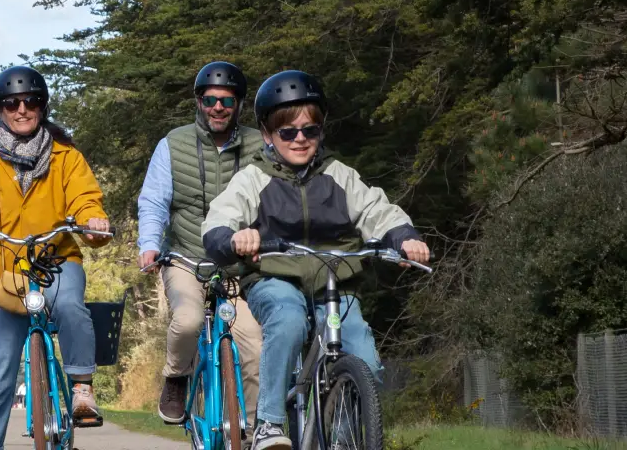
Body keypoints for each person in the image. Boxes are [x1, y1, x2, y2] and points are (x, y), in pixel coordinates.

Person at [201, 70, 432, 450]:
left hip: (334, 283)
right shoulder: (253, 178)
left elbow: (378, 210)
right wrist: (234, 238)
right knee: (288, 320)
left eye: (310, 130)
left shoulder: (339, 175)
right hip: (275, 277)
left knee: (364, 355)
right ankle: (270, 424)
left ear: (321, 131)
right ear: (267, 135)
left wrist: (405, 239)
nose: (300, 139)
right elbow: (219, 221)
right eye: (288, 132)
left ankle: (345, 440)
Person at [0, 65, 111, 450]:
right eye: (11, 103)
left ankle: (82, 387)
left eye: (31, 101)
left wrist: (91, 220)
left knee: (71, 307)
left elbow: (85, 198)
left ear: (43, 106)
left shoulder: (67, 157)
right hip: (1, 278)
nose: (22, 109)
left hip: (56, 262)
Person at [135, 61, 267, 424]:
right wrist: (148, 244)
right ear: (198, 101)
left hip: (241, 266)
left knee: (254, 346)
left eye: (227, 101)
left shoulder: (261, 145)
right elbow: (154, 202)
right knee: (189, 320)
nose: (218, 108)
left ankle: (258, 431)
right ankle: (176, 378)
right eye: (210, 100)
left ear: (239, 104)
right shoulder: (172, 144)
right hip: (186, 259)